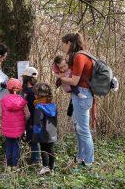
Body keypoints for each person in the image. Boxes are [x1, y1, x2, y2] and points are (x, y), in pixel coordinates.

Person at [59, 33, 95, 166]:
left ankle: (89, 160)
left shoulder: (79, 56)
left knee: (83, 129)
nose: (62, 47)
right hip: (80, 94)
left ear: (69, 43)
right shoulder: (79, 55)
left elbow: (74, 81)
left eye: (63, 43)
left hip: (83, 94)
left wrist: (61, 78)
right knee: (78, 128)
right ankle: (80, 156)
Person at [0, 78, 30, 170]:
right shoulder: (22, 101)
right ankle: (15, 165)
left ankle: (8, 165)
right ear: (19, 89)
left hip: (7, 127)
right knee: (16, 145)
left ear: (8, 89)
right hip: (18, 129)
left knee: (9, 145)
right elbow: (28, 114)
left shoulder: (3, 100)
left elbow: (0, 115)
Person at [32, 83, 57, 175]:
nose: (34, 95)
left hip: (43, 133)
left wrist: (35, 135)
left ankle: (45, 167)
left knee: (43, 150)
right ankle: (52, 168)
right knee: (50, 150)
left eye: (35, 94)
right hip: (52, 132)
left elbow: (37, 122)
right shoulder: (53, 105)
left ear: (38, 95)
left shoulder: (39, 107)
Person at [21, 67, 40, 165]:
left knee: (34, 140)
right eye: (34, 78)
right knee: (29, 139)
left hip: (33, 120)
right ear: (28, 78)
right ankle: (33, 157)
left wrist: (33, 122)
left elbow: (35, 109)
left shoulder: (33, 92)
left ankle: (36, 160)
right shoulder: (24, 90)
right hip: (26, 120)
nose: (35, 80)